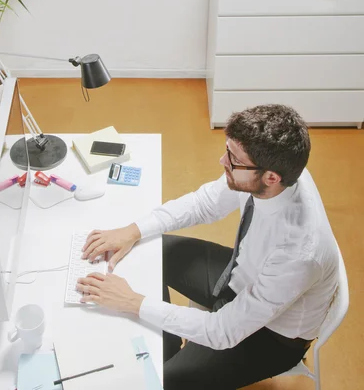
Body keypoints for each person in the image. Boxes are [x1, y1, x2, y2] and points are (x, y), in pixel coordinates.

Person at [77, 104, 339, 390]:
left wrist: (133, 302)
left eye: (233, 160)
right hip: (242, 276)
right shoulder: (273, 172)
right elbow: (205, 204)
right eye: (228, 151)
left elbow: (224, 331)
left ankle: (169, 364)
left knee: (164, 382)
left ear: (271, 178)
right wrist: (132, 230)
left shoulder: (299, 253)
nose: (221, 161)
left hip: (270, 334)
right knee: (152, 251)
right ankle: (168, 348)